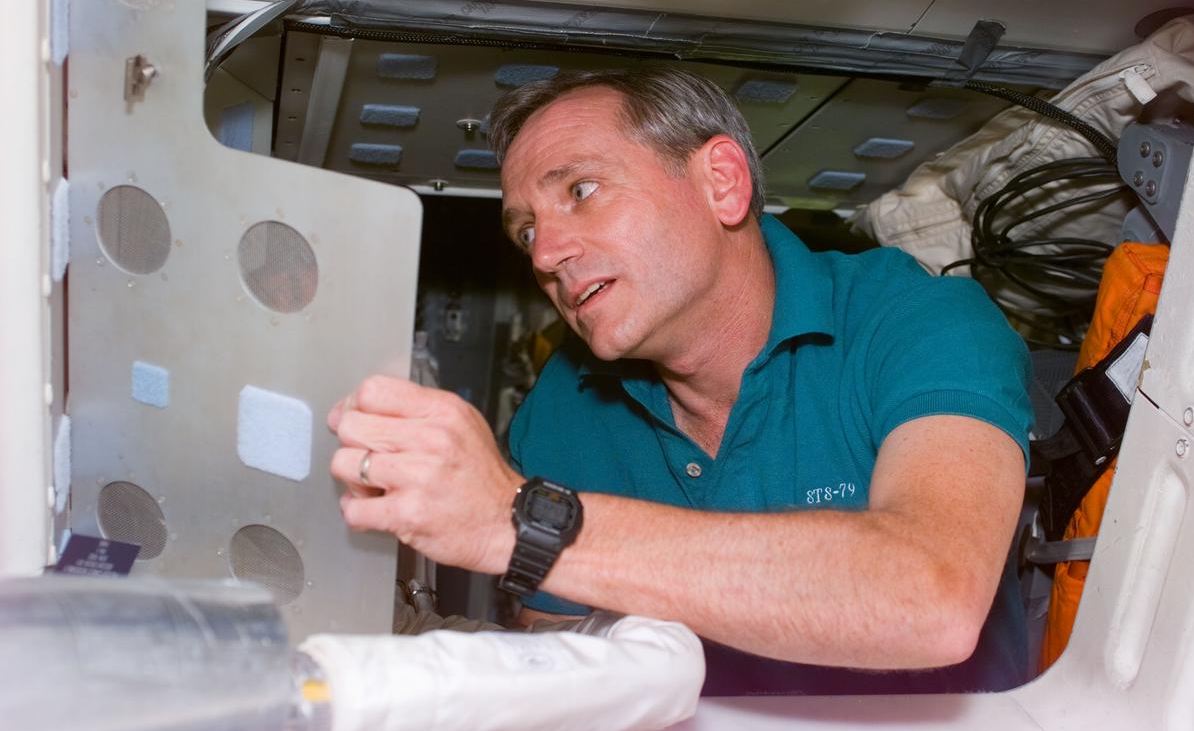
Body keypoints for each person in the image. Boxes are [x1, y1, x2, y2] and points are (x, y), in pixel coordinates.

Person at [327, 68, 1033, 695]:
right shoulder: (562, 411)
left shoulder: (915, 322)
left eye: (581, 189)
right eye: (524, 231)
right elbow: (574, 672)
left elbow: (930, 598)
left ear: (720, 183)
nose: (545, 252)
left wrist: (520, 522)